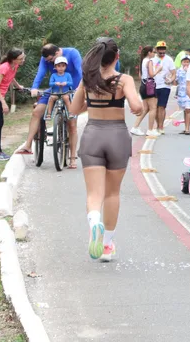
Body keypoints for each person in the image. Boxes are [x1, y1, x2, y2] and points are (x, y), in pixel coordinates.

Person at [69, 38, 144, 261]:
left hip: (93, 135)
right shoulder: (124, 80)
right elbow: (137, 107)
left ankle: (94, 222)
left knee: (94, 193)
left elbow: (74, 109)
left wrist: (90, 101)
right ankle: (108, 245)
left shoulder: (87, 79)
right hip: (117, 136)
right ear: (117, 57)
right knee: (112, 193)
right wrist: (132, 102)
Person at [22, 43, 83, 156]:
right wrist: (34, 88)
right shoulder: (45, 59)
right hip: (54, 89)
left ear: (57, 53)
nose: (49, 62)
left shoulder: (72, 53)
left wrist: (81, 87)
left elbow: (81, 71)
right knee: (37, 112)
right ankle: (28, 145)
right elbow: (40, 73)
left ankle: (72, 155)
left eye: (51, 59)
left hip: (73, 89)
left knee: (72, 123)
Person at [43, 56, 78, 167]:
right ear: (55, 67)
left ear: (65, 67)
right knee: (51, 98)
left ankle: (70, 111)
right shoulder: (53, 75)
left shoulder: (67, 75)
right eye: (59, 66)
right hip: (56, 93)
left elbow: (70, 83)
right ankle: (49, 113)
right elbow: (50, 84)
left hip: (65, 93)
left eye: (63, 66)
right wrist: (56, 84)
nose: (61, 68)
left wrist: (65, 84)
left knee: (67, 98)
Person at [0, 48, 25, 160]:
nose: (23, 60)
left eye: (23, 57)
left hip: (0, 96)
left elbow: (11, 77)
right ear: (13, 59)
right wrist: (3, 102)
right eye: (20, 59)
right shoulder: (4, 68)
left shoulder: (14, 66)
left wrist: (18, 86)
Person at [130, 46, 159, 137]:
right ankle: (150, 129)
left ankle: (135, 127)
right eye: (153, 52)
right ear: (149, 52)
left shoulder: (143, 61)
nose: (155, 53)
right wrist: (159, 69)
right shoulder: (149, 61)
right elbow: (151, 74)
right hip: (149, 86)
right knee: (153, 108)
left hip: (143, 86)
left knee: (146, 108)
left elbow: (140, 75)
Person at [151, 42, 176, 137]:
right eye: (160, 49)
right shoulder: (152, 59)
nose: (162, 51)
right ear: (156, 49)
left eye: (163, 49)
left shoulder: (169, 60)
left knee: (162, 107)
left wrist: (171, 80)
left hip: (165, 86)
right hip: (153, 86)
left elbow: (173, 73)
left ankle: (161, 127)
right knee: (155, 108)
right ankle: (158, 125)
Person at [174, 56, 190, 134]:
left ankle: (187, 129)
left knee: (188, 109)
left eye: (187, 61)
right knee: (185, 110)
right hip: (181, 93)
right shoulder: (178, 71)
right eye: (184, 61)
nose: (186, 63)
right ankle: (186, 127)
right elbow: (176, 82)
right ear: (181, 62)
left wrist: (187, 72)